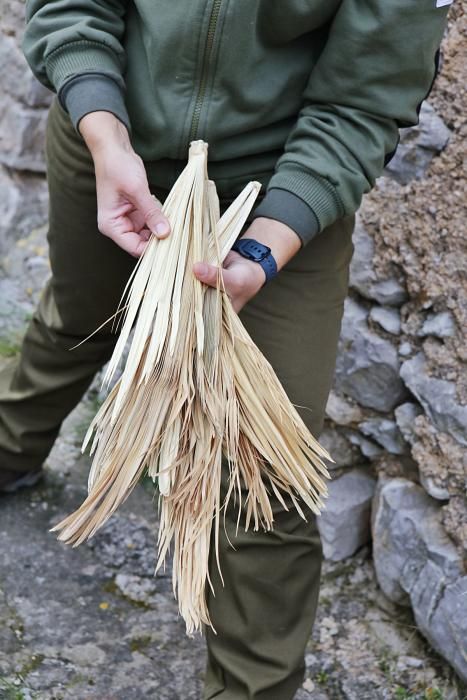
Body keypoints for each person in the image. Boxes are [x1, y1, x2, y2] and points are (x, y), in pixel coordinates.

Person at [0, 1, 449, 698]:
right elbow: (72, 6)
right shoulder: (105, 137)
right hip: (111, 142)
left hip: (278, 189)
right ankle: (9, 446)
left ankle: (250, 687)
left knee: (264, 465)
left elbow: (362, 100)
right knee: (80, 322)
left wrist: (267, 246)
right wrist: (103, 129)